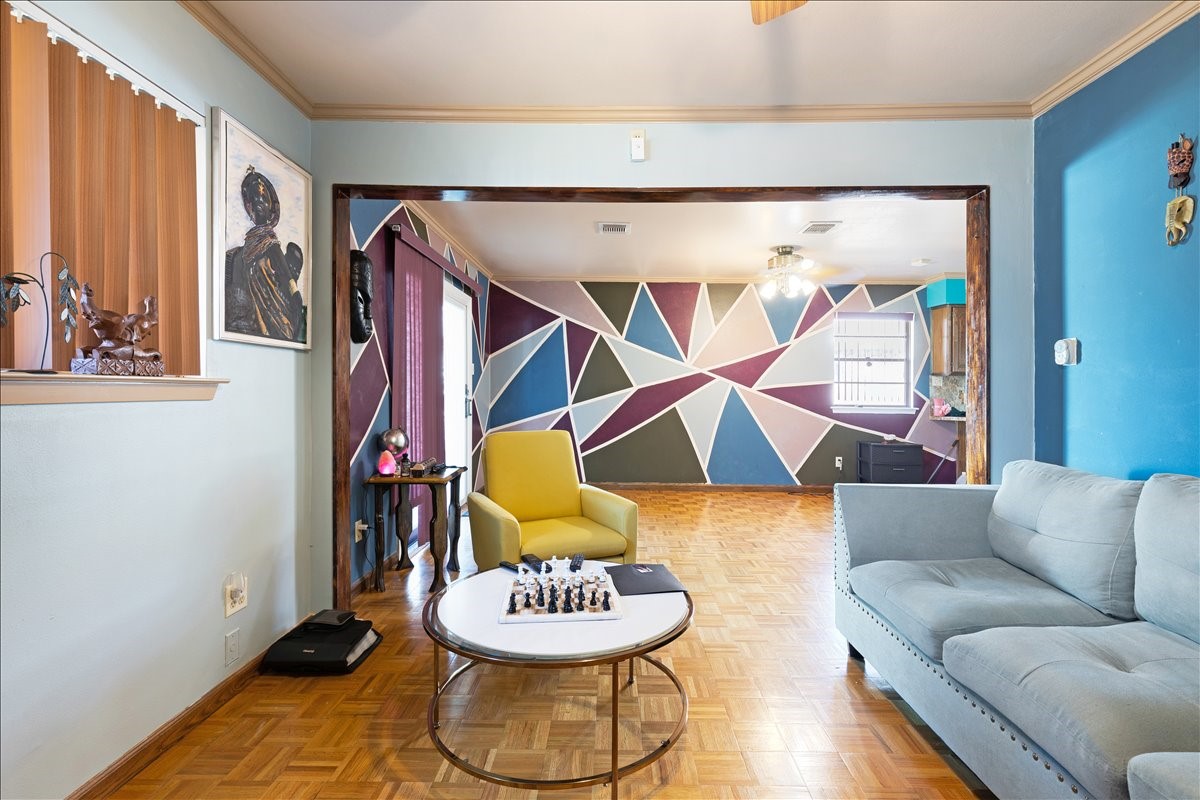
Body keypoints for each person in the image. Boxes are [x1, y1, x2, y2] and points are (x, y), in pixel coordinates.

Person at [224, 165, 305, 341]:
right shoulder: (244, 249)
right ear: (249, 207)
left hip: (275, 313)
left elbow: (285, 274)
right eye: (255, 204)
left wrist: (295, 294)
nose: (258, 207)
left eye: (262, 204)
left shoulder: (270, 242)